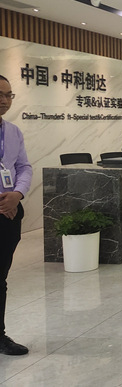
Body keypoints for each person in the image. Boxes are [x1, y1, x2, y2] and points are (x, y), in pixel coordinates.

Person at [0, 74, 32, 356]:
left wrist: (17, 194)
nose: (4, 100)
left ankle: (0, 336)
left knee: (1, 277)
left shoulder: (12, 131)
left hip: (9, 213)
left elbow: (23, 167)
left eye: (8, 95)